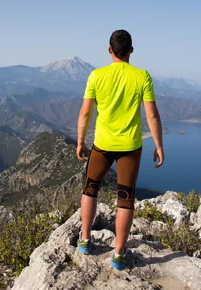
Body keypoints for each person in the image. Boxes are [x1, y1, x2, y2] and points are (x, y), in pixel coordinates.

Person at [76, 29, 165, 270]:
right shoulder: (142, 76)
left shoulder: (96, 76)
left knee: (90, 189)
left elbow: (85, 112)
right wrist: (158, 145)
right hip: (130, 147)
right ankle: (119, 253)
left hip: (102, 145)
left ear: (109, 50)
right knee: (125, 199)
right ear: (131, 51)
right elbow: (152, 115)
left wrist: (80, 141)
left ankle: (85, 239)